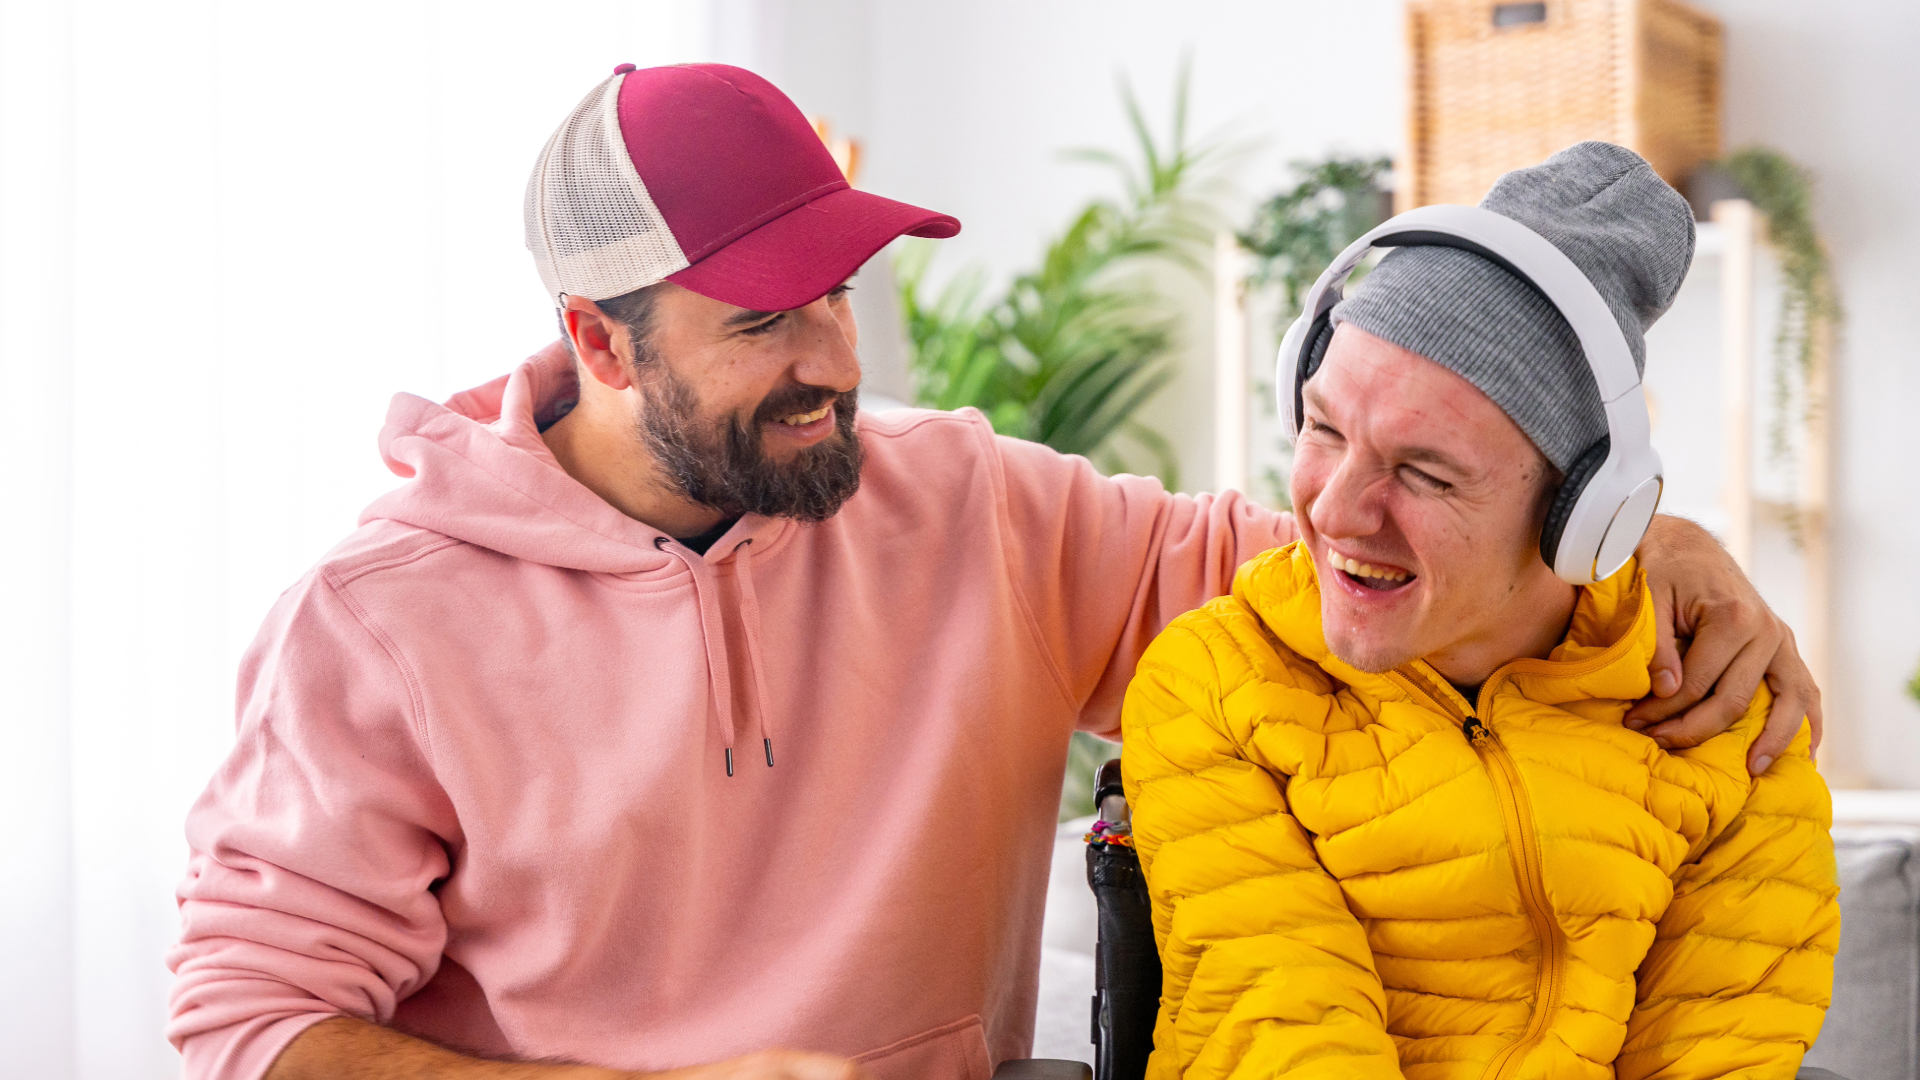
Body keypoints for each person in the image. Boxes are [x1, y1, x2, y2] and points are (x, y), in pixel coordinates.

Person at [166, 64, 1816, 1080]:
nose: (830, 360)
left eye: (837, 295)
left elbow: (1363, 581)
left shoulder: (973, 508)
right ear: (597, 338)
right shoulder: (378, 626)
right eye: (762, 325)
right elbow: (252, 1025)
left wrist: (1639, 540)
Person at [1120, 143, 1839, 1080]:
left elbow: (1726, 1053)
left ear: (1586, 511)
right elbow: (1283, 1036)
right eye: (1323, 428)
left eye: (1424, 472)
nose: (1334, 511)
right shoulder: (1214, 686)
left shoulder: (1725, 712)